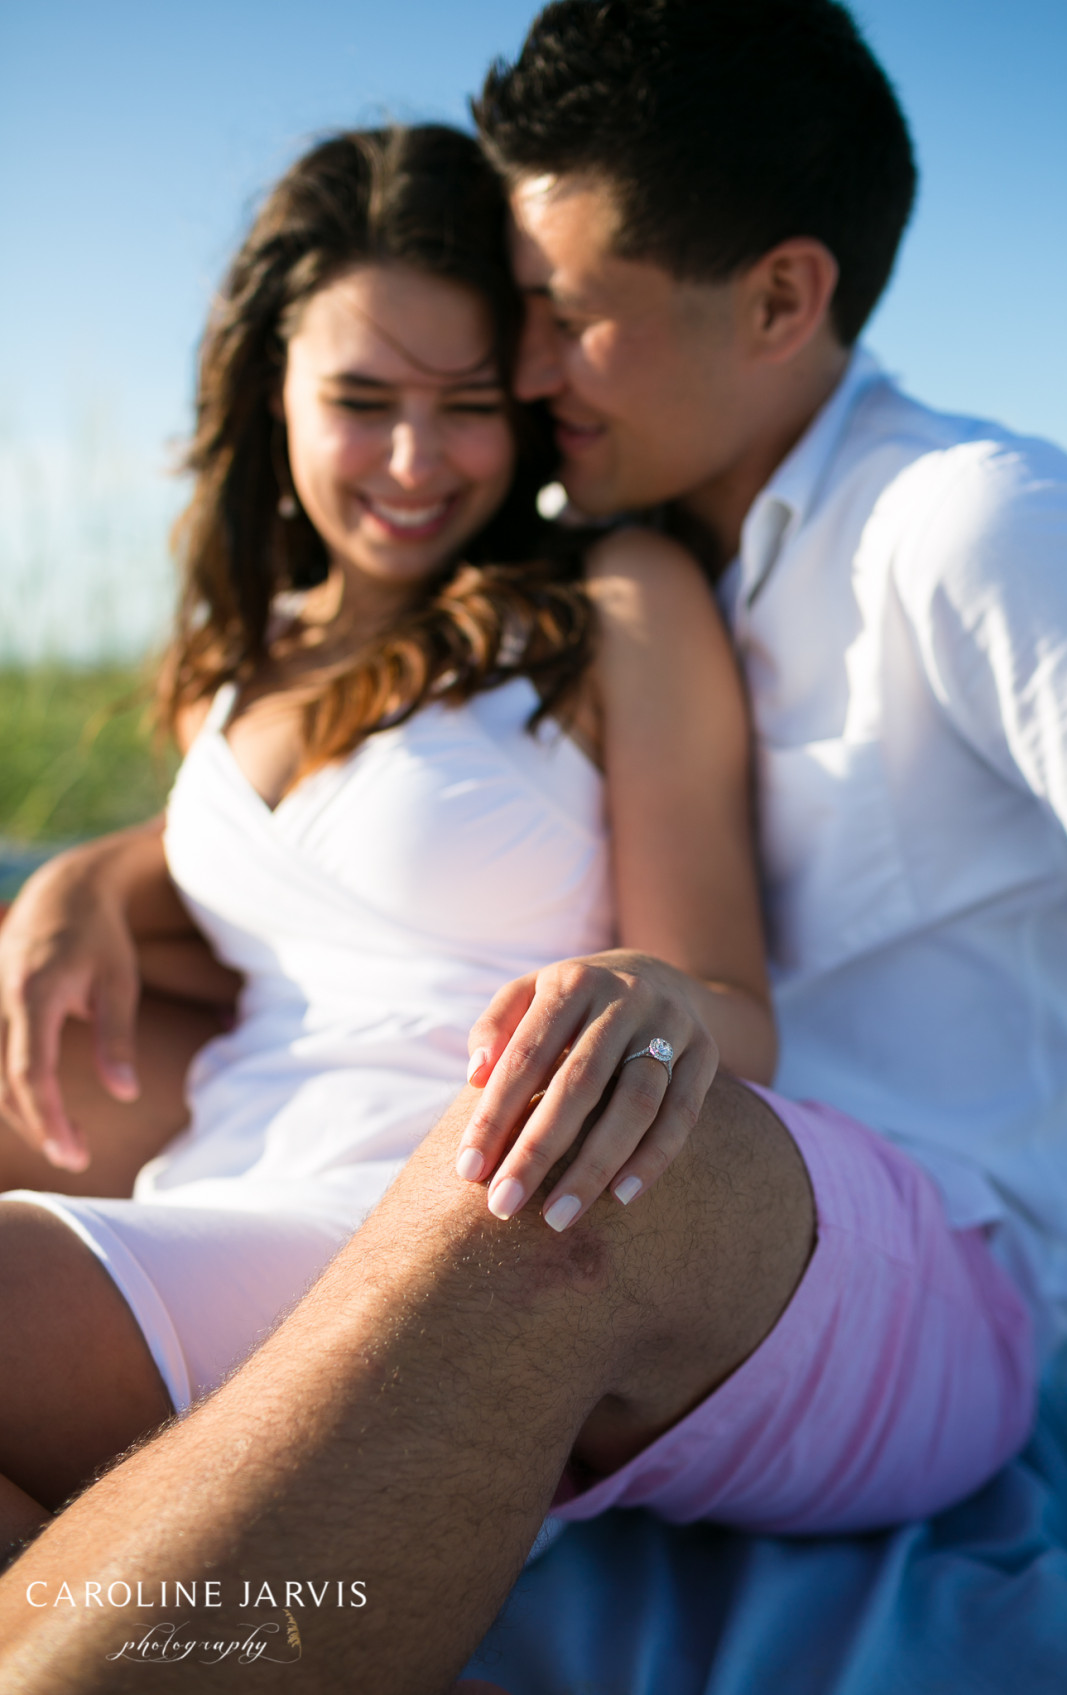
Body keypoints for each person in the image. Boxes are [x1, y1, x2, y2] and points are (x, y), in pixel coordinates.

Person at [2, 1, 1067, 1689]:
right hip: (663, 1179)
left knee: (568, 1166)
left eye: (568, 317)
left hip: (889, 1244)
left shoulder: (968, 527)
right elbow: (379, 823)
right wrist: (94, 876)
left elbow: (675, 967)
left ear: (779, 300)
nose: (525, 375)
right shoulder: (631, 538)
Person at [0, 121, 777, 1559]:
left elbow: (732, 1007)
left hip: (426, 1221)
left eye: (466, 403)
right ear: (271, 392)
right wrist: (75, 878)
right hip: (214, 1175)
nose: (417, 460)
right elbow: (273, 880)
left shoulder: (612, 601)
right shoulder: (256, 647)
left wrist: (650, 997)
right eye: (362, 400)